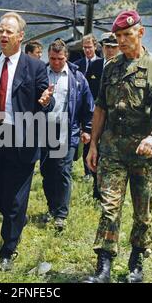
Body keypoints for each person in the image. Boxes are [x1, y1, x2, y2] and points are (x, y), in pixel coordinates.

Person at [84, 10, 152, 283]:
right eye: (118, 37)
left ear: (141, 32)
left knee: (142, 211)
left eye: (127, 35)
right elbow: (101, 107)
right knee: (108, 207)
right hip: (113, 151)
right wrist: (93, 146)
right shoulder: (110, 67)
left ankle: (136, 264)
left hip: (145, 153)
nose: (122, 41)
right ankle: (103, 266)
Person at [0, 12, 54, 271]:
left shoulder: (35, 67)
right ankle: (16, 220)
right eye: (1, 30)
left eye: (8, 31)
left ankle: (8, 249)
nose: (3, 35)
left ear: (20, 36)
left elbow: (46, 100)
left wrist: (48, 102)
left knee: (15, 198)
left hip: (22, 137)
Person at [39, 39, 94, 231]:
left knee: (63, 171)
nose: (56, 62)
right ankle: (52, 208)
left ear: (66, 57)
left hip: (67, 130)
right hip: (44, 130)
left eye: (60, 59)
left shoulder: (77, 78)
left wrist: (87, 129)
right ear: (48, 56)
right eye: (52, 58)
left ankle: (61, 214)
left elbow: (88, 107)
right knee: (47, 172)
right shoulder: (40, 75)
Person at [74, 34, 104, 199]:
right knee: (83, 137)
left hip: (96, 108)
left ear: (95, 47)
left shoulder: (101, 65)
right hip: (80, 107)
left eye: (89, 47)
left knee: (92, 138)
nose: (87, 50)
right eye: (84, 47)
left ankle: (90, 170)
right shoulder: (77, 65)